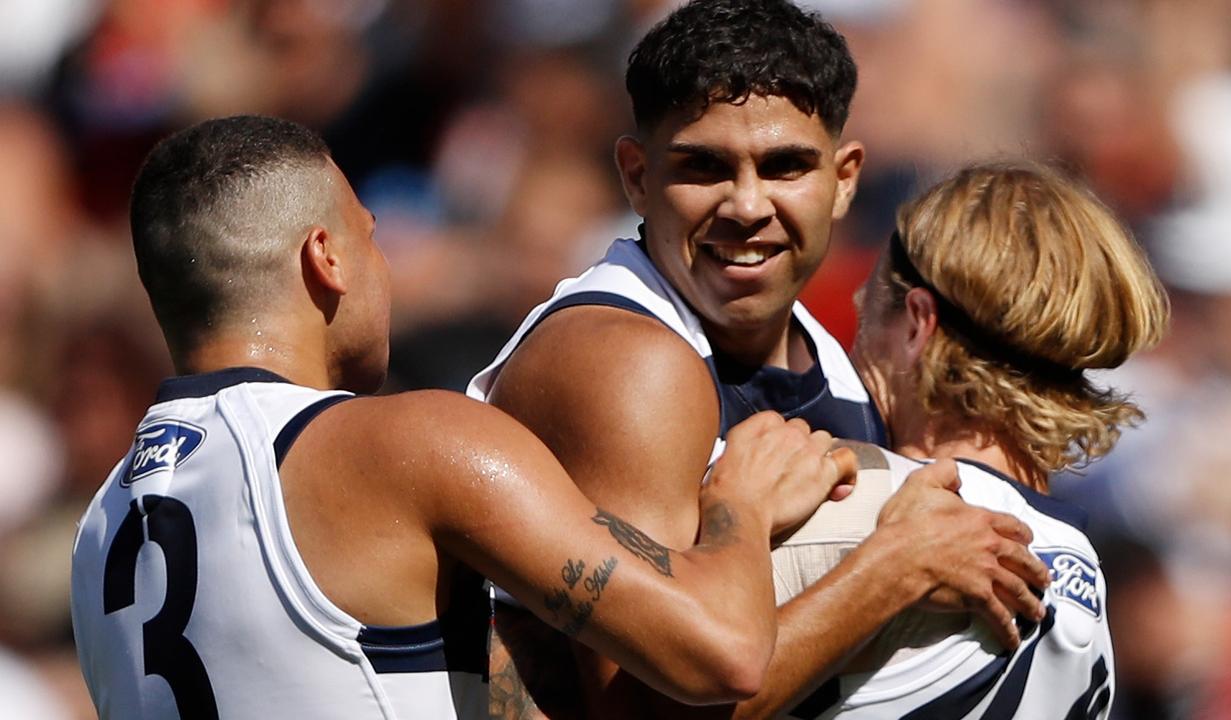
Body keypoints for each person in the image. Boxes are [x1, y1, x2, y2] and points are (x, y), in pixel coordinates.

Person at [68, 115, 861, 719]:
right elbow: (719, 655)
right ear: (326, 259)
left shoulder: (97, 529)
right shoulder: (406, 444)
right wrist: (743, 505)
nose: (385, 270)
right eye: (371, 239)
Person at [466, 1, 1050, 717]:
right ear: (635, 175)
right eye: (704, 166)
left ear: (844, 179)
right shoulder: (624, 362)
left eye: (784, 167)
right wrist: (891, 571)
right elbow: (639, 712)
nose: (746, 205)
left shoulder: (838, 368)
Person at [768, 162, 1170, 718]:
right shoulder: (1086, 577)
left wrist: (733, 516)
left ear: (917, 324)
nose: (854, 345)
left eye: (869, 306)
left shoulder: (847, 507)